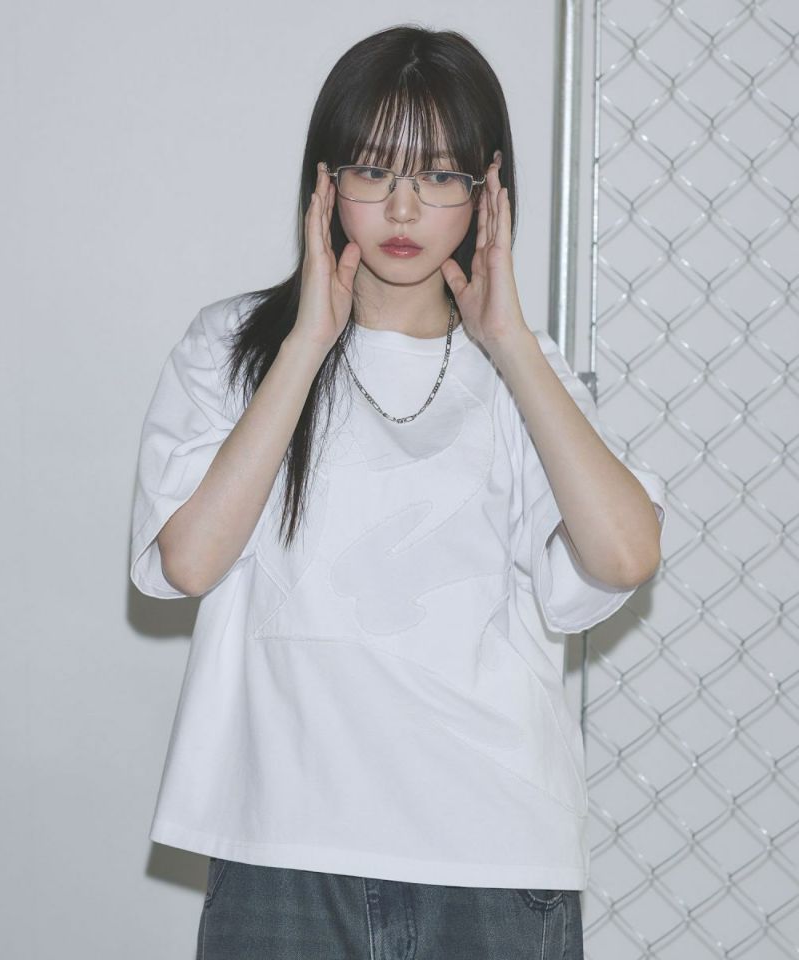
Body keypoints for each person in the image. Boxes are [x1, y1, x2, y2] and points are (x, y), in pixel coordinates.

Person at [129, 23, 665, 960]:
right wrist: (307, 343)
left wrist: (509, 343)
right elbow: (190, 560)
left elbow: (624, 556)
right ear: (326, 181)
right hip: (284, 852)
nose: (404, 207)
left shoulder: (525, 373)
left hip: (494, 859)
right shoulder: (234, 348)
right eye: (374, 171)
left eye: (441, 175)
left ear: (489, 190)